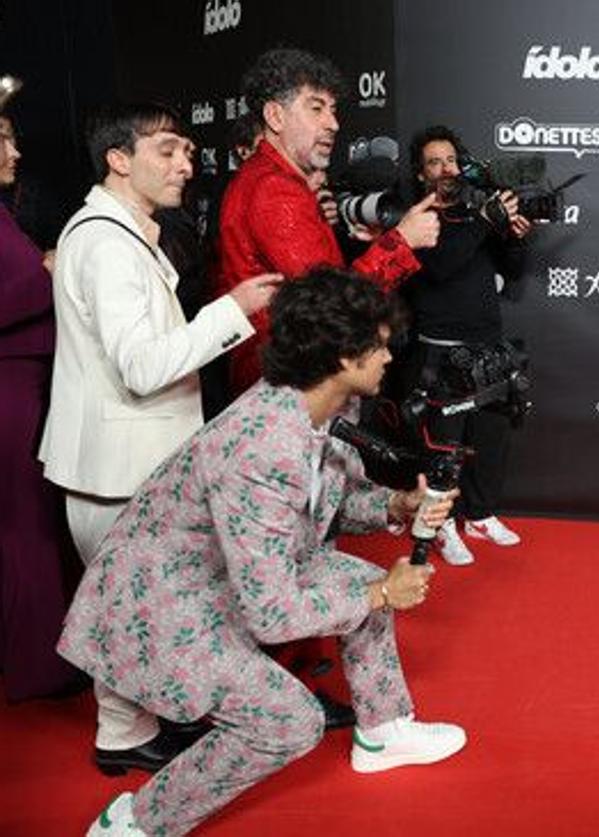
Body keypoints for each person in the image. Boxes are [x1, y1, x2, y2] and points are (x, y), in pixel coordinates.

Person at [66, 268, 466, 837]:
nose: (388, 357)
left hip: (218, 576)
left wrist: (398, 506)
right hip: (158, 607)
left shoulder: (309, 407)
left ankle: (383, 731)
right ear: (344, 359)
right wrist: (382, 593)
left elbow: (319, 504)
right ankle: (134, 823)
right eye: (378, 345)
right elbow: (271, 615)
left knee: (358, 581)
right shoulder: (263, 443)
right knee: (289, 721)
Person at [38, 102, 279, 773]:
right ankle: (127, 733)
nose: (185, 165)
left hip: (121, 464)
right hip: (120, 470)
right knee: (143, 606)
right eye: (168, 150)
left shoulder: (115, 233)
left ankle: (126, 731)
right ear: (119, 158)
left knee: (129, 603)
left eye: (189, 152)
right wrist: (233, 310)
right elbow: (143, 367)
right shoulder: (108, 242)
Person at [217, 47, 439, 396]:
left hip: (282, 378)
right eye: (316, 108)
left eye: (333, 110)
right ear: (275, 116)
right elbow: (334, 305)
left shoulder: (270, 178)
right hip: (287, 387)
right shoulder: (273, 189)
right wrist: (402, 242)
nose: (333, 124)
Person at [392, 124, 531, 566]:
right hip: (440, 351)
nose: (445, 169)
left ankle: (481, 515)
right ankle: (442, 526)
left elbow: (512, 271)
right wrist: (486, 223)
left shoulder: (477, 216)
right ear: (420, 173)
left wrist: (514, 237)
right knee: (443, 448)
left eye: (451, 160)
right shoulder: (417, 221)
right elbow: (442, 268)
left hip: (488, 347)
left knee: (491, 437)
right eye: (434, 162)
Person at [0, 95, 85, 701]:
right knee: (25, 527)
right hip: (9, 390)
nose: (16, 151)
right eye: (2, 140)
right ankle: (38, 668)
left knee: (28, 525)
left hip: (26, 384)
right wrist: (49, 272)